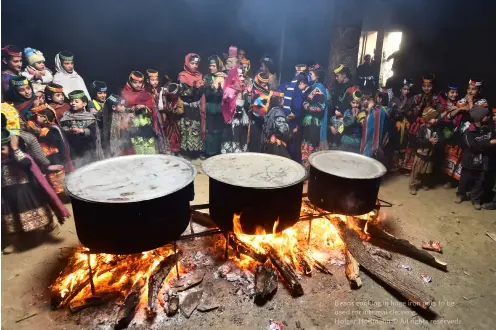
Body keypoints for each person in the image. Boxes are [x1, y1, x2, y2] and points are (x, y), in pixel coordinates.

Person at [1, 128, 70, 254]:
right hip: (6, 194)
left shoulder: (20, 156)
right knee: (10, 218)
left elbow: (27, 163)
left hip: (25, 191)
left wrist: (15, 149)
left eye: (2, 149)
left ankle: (51, 226)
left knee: (41, 210)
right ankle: (14, 240)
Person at [28, 104, 73, 202]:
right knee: (48, 180)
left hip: (55, 157)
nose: (37, 118)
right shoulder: (37, 127)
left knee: (58, 181)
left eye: (40, 116)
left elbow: (58, 142)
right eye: (37, 116)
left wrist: (42, 131)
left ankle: (64, 198)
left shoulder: (52, 128)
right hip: (44, 158)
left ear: (46, 118)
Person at [456, 107, 496, 210]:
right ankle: (461, 194)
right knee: (464, 180)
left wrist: (487, 144)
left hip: (483, 162)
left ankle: (476, 199)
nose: (489, 117)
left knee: (480, 181)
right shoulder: (469, 131)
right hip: (469, 161)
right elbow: (473, 146)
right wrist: (489, 143)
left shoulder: (488, 129)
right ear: (480, 118)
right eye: (487, 115)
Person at [121, 71, 169, 155]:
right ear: (130, 82)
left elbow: (152, 110)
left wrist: (144, 108)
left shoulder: (146, 94)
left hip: (146, 125)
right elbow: (121, 109)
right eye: (135, 82)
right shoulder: (124, 93)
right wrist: (133, 109)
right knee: (137, 151)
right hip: (132, 127)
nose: (138, 85)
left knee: (150, 150)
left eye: (140, 82)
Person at [402, 74, 439, 173]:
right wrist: (418, 107)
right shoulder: (417, 97)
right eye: (424, 86)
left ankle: (422, 171)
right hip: (417, 125)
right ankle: (410, 168)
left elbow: (438, 113)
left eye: (429, 86)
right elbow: (408, 112)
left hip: (430, 125)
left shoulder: (436, 99)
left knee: (426, 147)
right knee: (413, 144)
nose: (426, 88)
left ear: (433, 86)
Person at [59, 90, 103, 168]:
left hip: (87, 146)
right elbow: (62, 128)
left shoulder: (89, 117)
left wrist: (81, 131)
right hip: (73, 147)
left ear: (84, 104)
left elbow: (93, 132)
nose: (73, 103)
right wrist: (69, 130)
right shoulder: (66, 115)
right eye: (71, 101)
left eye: (76, 101)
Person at [178, 53, 206, 159]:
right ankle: (187, 152)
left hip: (197, 107)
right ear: (187, 63)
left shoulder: (199, 76)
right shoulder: (182, 76)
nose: (194, 66)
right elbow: (184, 93)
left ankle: (196, 151)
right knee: (187, 128)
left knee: (197, 128)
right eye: (192, 63)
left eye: (196, 64)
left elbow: (200, 93)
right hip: (187, 108)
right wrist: (195, 88)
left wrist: (201, 87)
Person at [438, 84, 466, 187]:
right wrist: (455, 110)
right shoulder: (442, 104)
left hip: (456, 135)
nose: (455, 94)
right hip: (443, 134)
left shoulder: (460, 103)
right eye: (452, 92)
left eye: (456, 92)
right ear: (446, 93)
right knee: (443, 157)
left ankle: (451, 180)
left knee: (454, 157)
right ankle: (440, 178)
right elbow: (442, 119)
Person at [300, 67, 328, 169]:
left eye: (311, 74)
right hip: (309, 122)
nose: (310, 76)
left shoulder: (318, 88)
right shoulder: (313, 87)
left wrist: (307, 106)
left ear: (317, 76)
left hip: (314, 123)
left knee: (310, 146)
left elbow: (321, 106)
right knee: (306, 145)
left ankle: (309, 169)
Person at [408, 107, 440, 195]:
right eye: (434, 118)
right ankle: (413, 186)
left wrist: (437, 141)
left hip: (430, 155)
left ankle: (425, 183)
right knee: (416, 171)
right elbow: (418, 141)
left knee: (427, 171)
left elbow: (437, 138)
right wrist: (428, 141)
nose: (436, 119)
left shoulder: (435, 129)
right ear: (428, 119)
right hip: (421, 155)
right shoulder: (421, 129)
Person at [220, 66, 250, 153]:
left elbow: (247, 108)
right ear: (234, 77)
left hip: (241, 126)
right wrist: (240, 95)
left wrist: (246, 95)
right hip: (232, 125)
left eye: (243, 76)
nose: (242, 78)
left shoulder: (244, 90)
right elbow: (236, 110)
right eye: (240, 76)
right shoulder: (229, 91)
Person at [281, 65, 308, 162]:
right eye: (305, 85)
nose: (305, 87)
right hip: (294, 124)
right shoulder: (299, 93)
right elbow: (297, 108)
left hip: (285, 121)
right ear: (301, 82)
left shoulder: (287, 87)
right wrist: (298, 115)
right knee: (294, 149)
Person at [204, 56, 226, 158]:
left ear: (218, 66)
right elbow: (205, 93)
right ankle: (209, 152)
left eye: (213, 65)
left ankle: (217, 152)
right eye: (210, 65)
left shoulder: (223, 77)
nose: (211, 67)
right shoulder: (207, 77)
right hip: (209, 106)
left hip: (219, 107)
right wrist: (211, 88)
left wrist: (220, 88)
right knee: (209, 130)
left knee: (218, 129)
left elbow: (225, 94)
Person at [389, 79, 414, 171]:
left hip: (406, 124)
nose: (406, 91)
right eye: (404, 89)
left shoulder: (411, 100)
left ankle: (403, 165)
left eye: (407, 90)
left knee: (404, 142)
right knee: (396, 142)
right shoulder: (394, 99)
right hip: (396, 124)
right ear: (401, 89)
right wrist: (396, 109)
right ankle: (394, 164)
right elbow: (391, 112)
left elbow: (411, 113)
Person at [262, 90, 291, 158]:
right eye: (282, 98)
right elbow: (284, 130)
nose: (284, 100)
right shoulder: (278, 112)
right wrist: (290, 131)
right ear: (278, 100)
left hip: (270, 144)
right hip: (277, 146)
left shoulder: (271, 110)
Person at [158, 79, 183, 156]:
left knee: (177, 139)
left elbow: (181, 111)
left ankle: (176, 153)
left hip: (177, 123)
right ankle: (171, 153)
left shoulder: (179, 101)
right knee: (170, 138)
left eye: (173, 95)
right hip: (169, 123)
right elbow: (163, 109)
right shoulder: (167, 100)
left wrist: (176, 110)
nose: (172, 96)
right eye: (171, 95)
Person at [360, 96, 388, 161]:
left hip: (372, 144)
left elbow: (373, 132)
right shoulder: (373, 111)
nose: (363, 104)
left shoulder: (377, 112)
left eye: (363, 100)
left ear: (367, 100)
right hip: (371, 143)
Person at [249, 72, 271, 152]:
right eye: (264, 85)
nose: (266, 87)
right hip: (257, 124)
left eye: (267, 85)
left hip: (265, 125)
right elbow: (256, 112)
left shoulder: (268, 94)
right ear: (258, 84)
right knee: (255, 146)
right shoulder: (255, 94)